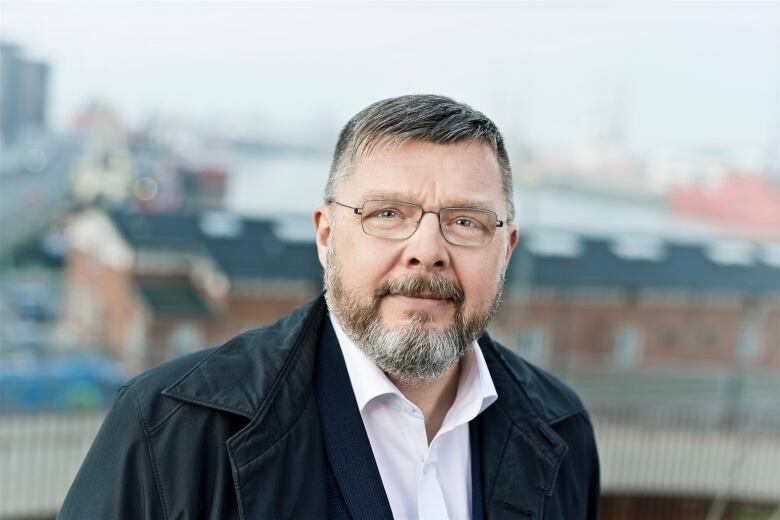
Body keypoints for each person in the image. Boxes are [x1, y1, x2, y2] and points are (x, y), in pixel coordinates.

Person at [59, 95, 599, 520]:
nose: (427, 250)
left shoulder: (563, 431)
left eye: (466, 222)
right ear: (325, 236)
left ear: (505, 250)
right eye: (387, 213)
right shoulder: (172, 431)